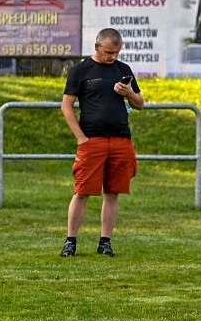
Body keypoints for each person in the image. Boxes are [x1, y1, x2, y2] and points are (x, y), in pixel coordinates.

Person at [61, 28, 144, 258]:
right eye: (109, 52)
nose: (113, 57)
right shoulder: (81, 70)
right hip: (92, 140)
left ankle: (105, 241)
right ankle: (71, 241)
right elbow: (66, 106)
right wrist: (81, 138)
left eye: (116, 52)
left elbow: (140, 103)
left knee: (113, 192)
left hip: (121, 139)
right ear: (97, 47)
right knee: (82, 192)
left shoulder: (123, 69)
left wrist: (128, 92)